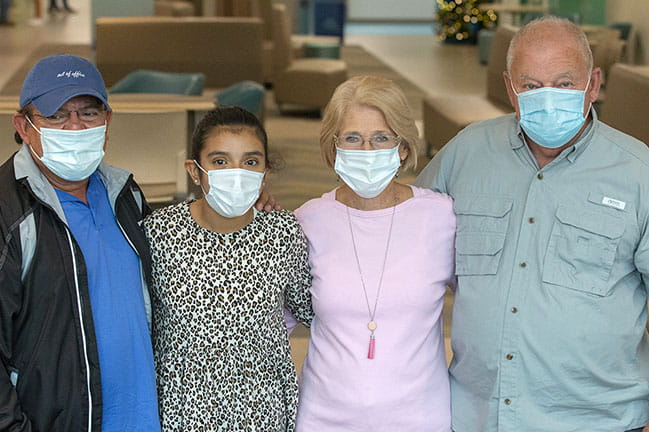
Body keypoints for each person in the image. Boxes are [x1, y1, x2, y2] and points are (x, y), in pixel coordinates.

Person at [416, 16, 649, 432]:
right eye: (531, 85)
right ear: (510, 88)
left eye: (564, 84)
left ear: (593, 85)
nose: (548, 98)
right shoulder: (467, 152)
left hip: (598, 421)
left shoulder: (637, 172)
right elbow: (401, 234)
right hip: (477, 416)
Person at [0, 54, 160, 430]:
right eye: (57, 115)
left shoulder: (126, 196)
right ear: (23, 126)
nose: (75, 126)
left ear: (108, 122)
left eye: (89, 112)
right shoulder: (8, 213)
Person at [293, 75, 455, 431]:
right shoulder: (306, 221)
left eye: (381, 138)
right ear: (333, 147)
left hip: (421, 418)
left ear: (403, 147)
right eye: (353, 138)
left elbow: (483, 307)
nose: (367, 150)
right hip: (323, 418)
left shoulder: (441, 217)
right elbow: (270, 325)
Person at [144, 106, 313, 432]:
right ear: (195, 171)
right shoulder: (158, 233)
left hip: (263, 412)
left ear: (265, 171)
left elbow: (312, 310)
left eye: (250, 162)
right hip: (182, 414)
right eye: (220, 161)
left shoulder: (282, 231)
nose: (237, 172)